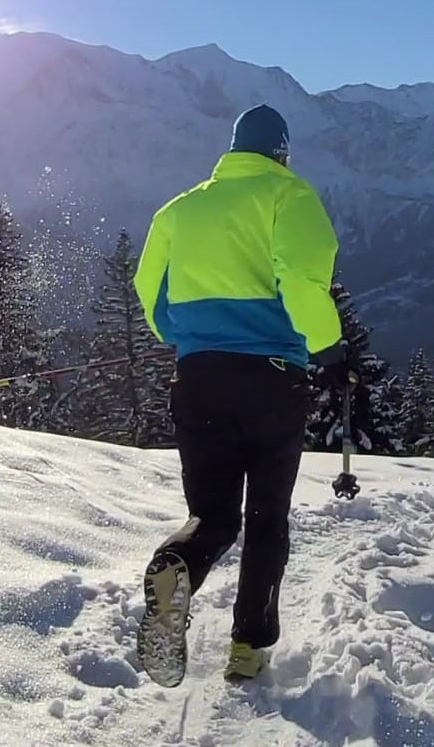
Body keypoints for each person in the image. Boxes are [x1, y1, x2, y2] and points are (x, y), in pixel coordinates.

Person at [132, 103, 350, 686]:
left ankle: (177, 563)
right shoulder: (289, 196)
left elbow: (148, 291)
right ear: (281, 152)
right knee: (266, 518)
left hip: (199, 379)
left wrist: (189, 339)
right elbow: (301, 280)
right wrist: (329, 349)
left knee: (213, 516)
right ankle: (248, 648)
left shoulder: (178, 209)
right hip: (273, 380)